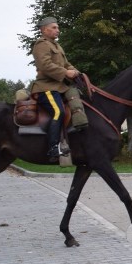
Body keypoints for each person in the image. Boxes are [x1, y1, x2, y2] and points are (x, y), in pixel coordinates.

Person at [31, 17, 88, 162]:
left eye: (58, 27)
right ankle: (53, 148)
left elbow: (66, 64)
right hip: (46, 87)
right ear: (44, 30)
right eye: (54, 27)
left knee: (80, 100)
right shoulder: (41, 45)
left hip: (60, 87)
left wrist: (77, 72)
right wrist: (65, 73)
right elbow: (45, 65)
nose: (58, 30)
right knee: (58, 111)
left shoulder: (57, 46)